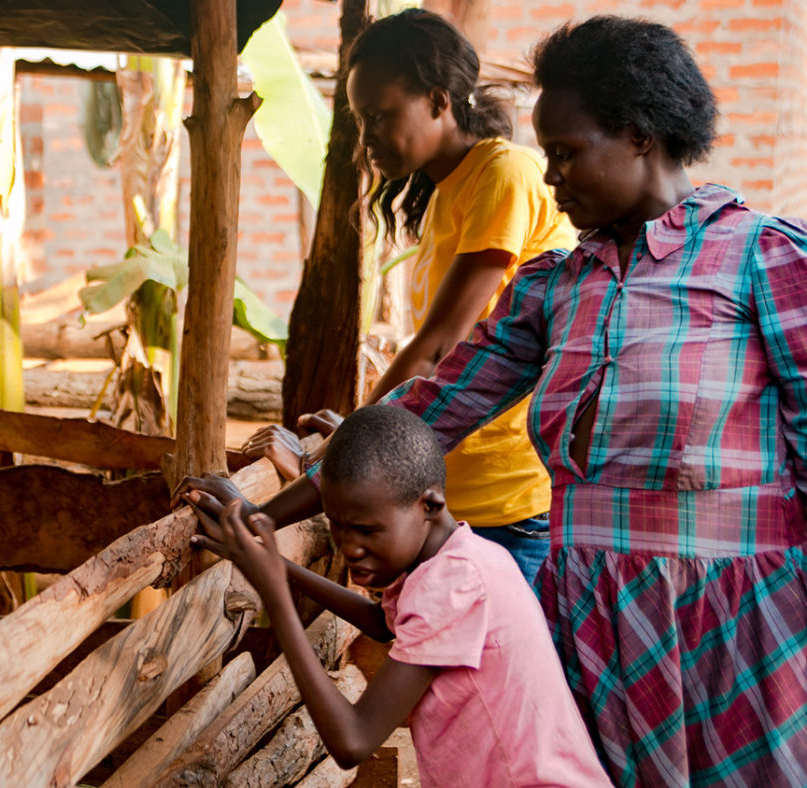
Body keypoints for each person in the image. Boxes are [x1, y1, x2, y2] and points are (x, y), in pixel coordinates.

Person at [185, 16, 807, 786]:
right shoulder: (555, 289)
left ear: (641, 136)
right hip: (596, 629)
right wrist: (261, 519)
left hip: (734, 624)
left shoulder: (759, 260)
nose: (551, 178)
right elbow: (423, 415)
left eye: (569, 153)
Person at [242, 8, 576, 584]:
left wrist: (347, 443)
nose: (366, 136)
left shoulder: (504, 175)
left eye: (379, 116)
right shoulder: (446, 194)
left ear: (439, 101)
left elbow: (438, 347)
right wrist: (352, 434)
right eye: (358, 119)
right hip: (450, 486)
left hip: (507, 499)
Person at [187, 406, 610, 788]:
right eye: (337, 525)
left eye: (368, 531)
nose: (348, 547)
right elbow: (381, 623)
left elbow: (353, 741)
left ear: (429, 505)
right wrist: (272, 562)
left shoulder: (455, 585)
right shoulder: (463, 557)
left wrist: (275, 594)